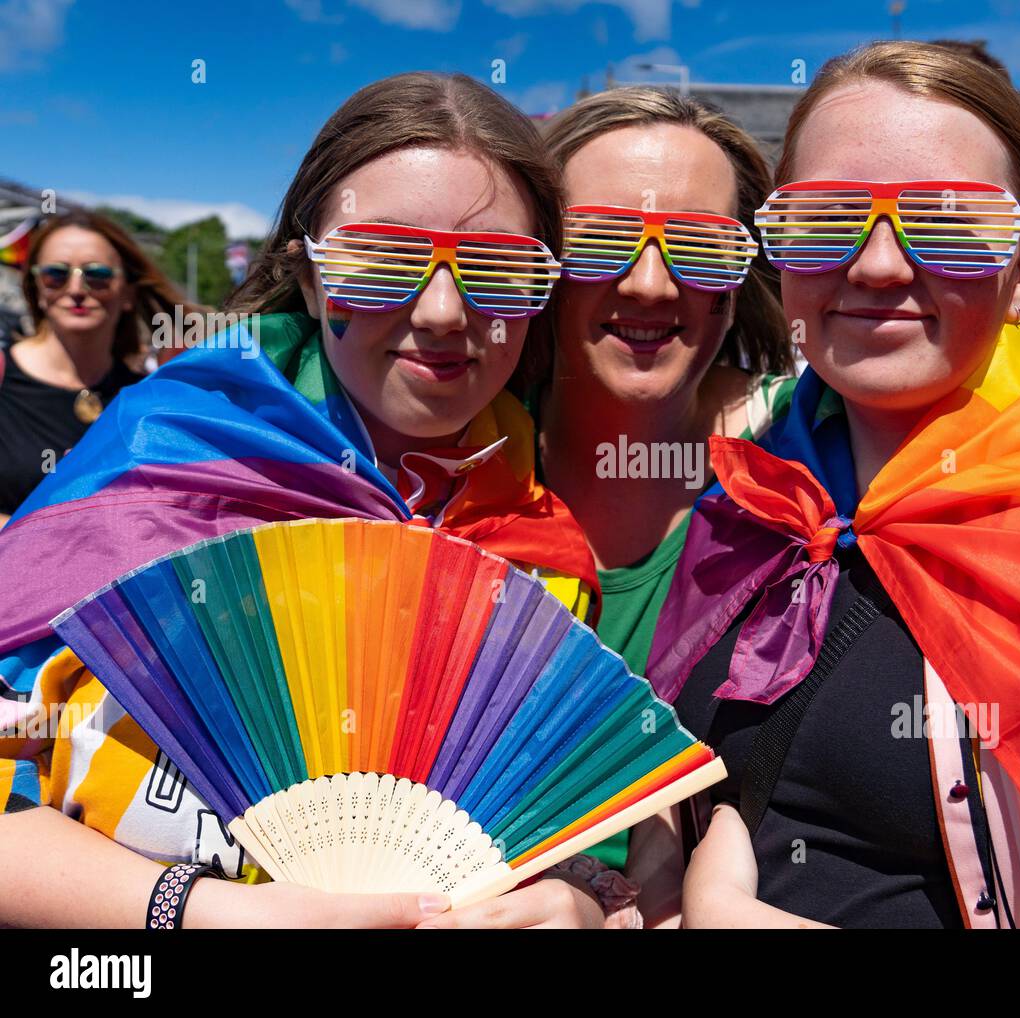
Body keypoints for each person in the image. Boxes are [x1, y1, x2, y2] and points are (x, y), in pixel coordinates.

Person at [643, 41, 1020, 929]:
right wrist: (656, 879)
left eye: (947, 219)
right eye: (827, 216)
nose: (880, 264)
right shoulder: (756, 489)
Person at [0, 72, 610, 929]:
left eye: (496, 267)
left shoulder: (543, 546)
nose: (443, 309)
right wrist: (206, 914)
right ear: (312, 278)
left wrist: (577, 898)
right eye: (383, 258)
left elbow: (554, 824)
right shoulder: (161, 458)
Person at [533, 88, 795, 895]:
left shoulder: (809, 459)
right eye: (600, 240)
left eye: (699, 245)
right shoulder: (432, 467)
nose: (650, 283)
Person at [0, 210, 198, 523]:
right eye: (56, 274)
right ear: (37, 289)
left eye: (97, 275)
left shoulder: (146, 401)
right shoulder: (3, 377)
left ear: (128, 293)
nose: (76, 289)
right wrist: (40, 532)